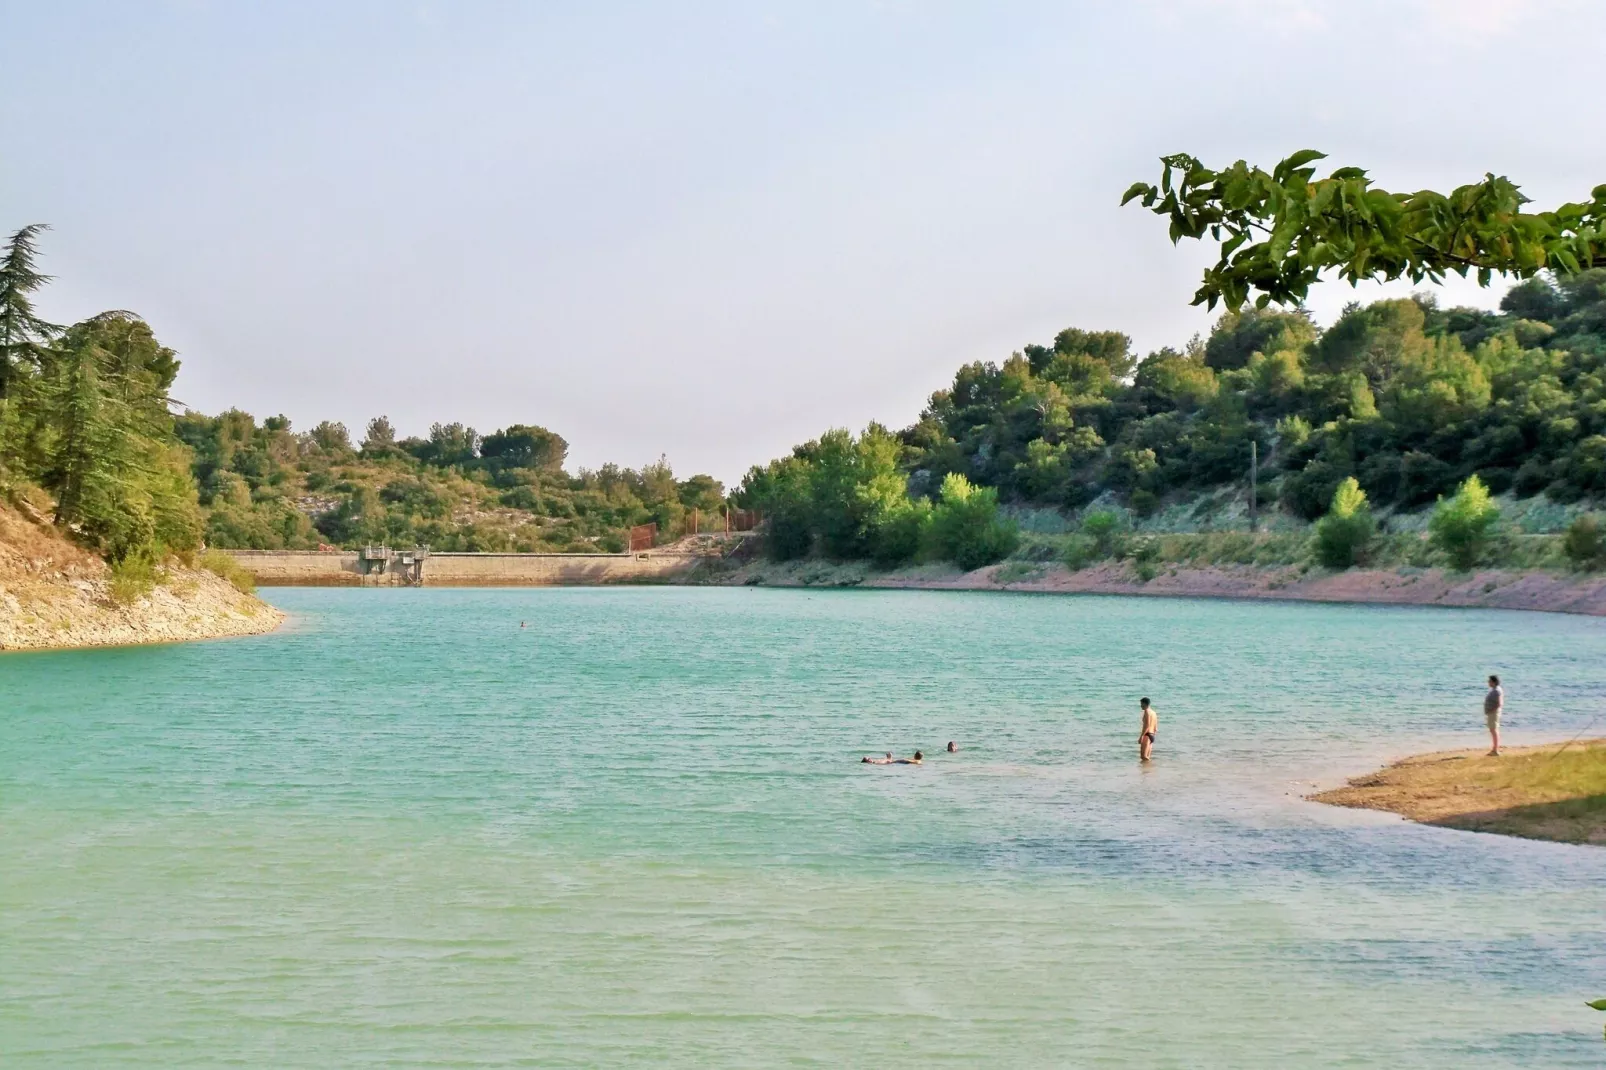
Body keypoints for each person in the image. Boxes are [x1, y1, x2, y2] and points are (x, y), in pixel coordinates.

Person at [1484, 675, 1504, 756]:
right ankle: (1495, 749)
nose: (1488, 683)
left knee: (1493, 730)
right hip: (1492, 713)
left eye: (1489, 681)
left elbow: (1500, 703)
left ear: (1493, 682)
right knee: (1493, 730)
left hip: (1493, 713)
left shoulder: (1496, 690)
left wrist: (1492, 710)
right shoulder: (1496, 689)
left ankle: (1495, 750)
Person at [1138, 697, 1158, 762]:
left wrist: (1142, 736)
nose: (1141, 706)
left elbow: (1147, 725)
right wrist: (1152, 736)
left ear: (1145, 704)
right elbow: (1155, 728)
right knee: (1146, 757)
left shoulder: (1147, 711)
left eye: (1141, 704)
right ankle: (1148, 771)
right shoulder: (1154, 713)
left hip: (1147, 735)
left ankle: (1152, 767)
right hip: (1152, 735)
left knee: (1143, 756)